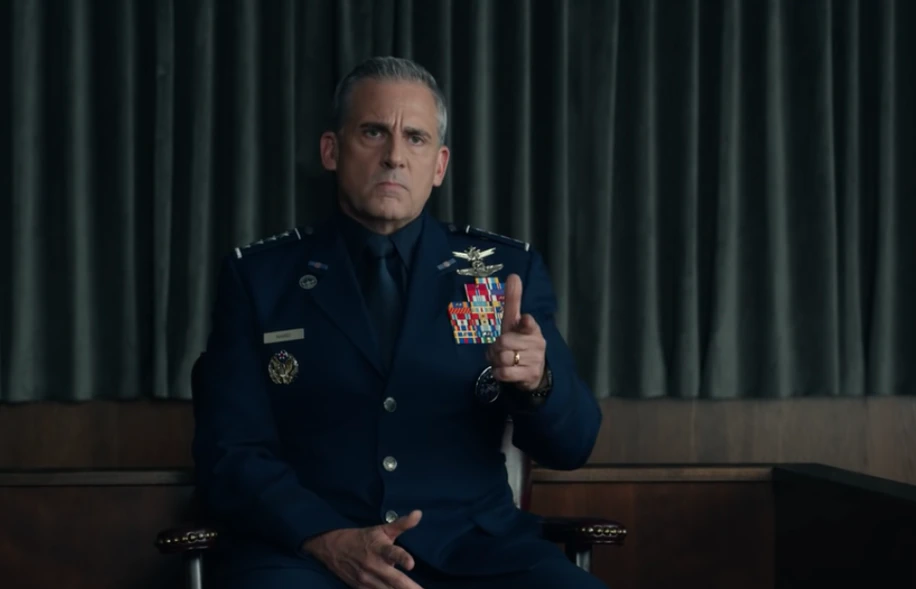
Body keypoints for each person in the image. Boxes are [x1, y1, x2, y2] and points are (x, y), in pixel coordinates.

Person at [191, 56, 605, 589]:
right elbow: (230, 452)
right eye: (373, 132)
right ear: (331, 151)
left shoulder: (503, 274)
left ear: (439, 165)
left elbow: (573, 445)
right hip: (311, 555)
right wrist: (325, 538)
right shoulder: (261, 279)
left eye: (415, 138)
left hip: (474, 551)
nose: (394, 156)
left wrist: (537, 384)